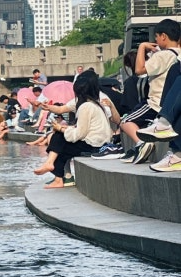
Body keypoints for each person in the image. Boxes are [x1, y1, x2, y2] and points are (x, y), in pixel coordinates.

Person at [33, 70, 111, 187]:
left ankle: (55, 173)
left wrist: (61, 128)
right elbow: (61, 109)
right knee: (59, 141)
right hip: (98, 142)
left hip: (94, 145)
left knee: (58, 140)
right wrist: (48, 107)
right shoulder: (92, 103)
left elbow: (79, 134)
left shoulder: (85, 106)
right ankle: (55, 173)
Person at [119, 20, 181, 164]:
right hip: (169, 102)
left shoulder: (162, 55)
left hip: (155, 102)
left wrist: (141, 48)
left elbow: (139, 70)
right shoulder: (177, 54)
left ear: (163, 36)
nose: (156, 41)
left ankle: (142, 143)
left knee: (125, 121)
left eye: (157, 37)